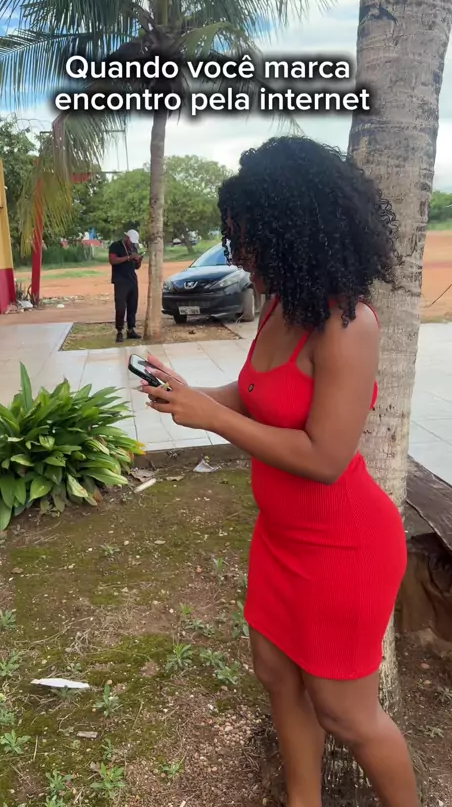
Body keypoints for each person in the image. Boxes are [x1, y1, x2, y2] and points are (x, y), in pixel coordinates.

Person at [138, 137, 419, 807]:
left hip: (344, 545)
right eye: (235, 240)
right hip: (281, 538)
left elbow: (325, 458)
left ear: (296, 233)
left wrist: (213, 419)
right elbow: (257, 396)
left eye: (250, 241)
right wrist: (192, 396)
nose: (240, 257)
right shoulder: (278, 307)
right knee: (276, 675)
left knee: (346, 714)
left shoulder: (347, 324)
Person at [109, 225, 142, 343]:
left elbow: (136, 267)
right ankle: (119, 331)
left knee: (133, 306)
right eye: (131, 241)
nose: (132, 243)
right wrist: (128, 257)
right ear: (127, 238)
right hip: (120, 280)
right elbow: (112, 260)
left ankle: (131, 329)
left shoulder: (134, 247)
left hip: (132, 279)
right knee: (120, 306)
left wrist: (138, 261)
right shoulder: (115, 246)